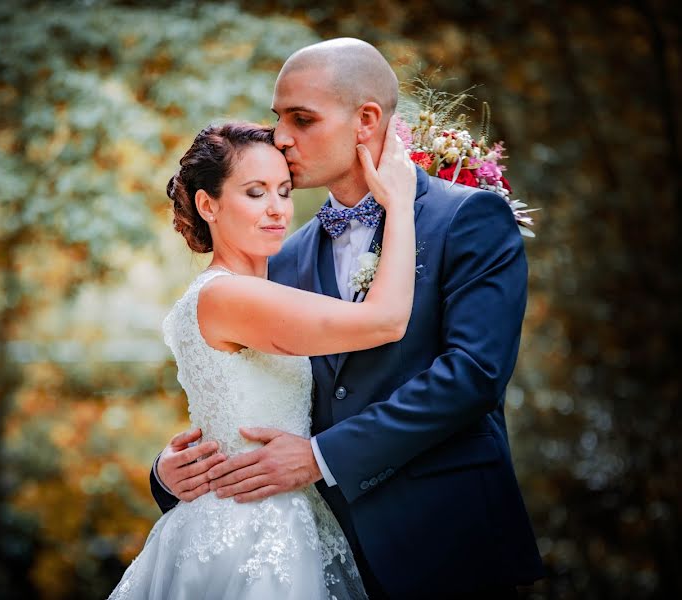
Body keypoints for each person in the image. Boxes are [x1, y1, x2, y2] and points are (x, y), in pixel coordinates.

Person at [150, 38, 545, 599]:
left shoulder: (467, 217)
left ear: (365, 120)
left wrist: (320, 457)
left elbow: (474, 376)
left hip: (449, 542)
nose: (281, 137)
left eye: (302, 119)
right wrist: (167, 477)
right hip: (320, 553)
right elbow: (252, 395)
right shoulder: (281, 259)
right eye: (278, 118)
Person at [108, 117, 417, 600]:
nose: (277, 210)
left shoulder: (263, 289)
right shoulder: (228, 298)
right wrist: (400, 204)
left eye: (284, 191)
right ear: (207, 204)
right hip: (249, 528)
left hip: (283, 515)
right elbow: (386, 322)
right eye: (255, 193)